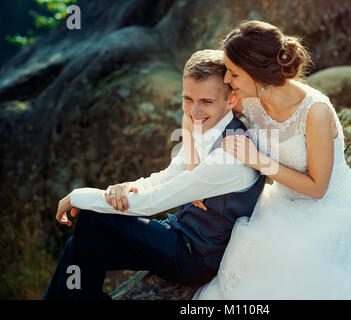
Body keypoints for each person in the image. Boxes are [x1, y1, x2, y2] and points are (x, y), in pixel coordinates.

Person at [182, 20, 351, 299]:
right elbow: (192, 111)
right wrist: (193, 170)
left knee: (299, 264)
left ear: (255, 72)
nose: (227, 80)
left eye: (234, 74)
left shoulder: (314, 112)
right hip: (282, 203)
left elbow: (317, 188)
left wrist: (259, 161)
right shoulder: (247, 98)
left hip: (333, 207)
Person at [42, 49, 266, 300]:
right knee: (82, 244)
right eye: (188, 99)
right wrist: (125, 188)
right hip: (177, 232)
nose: (194, 111)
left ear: (231, 100)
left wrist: (78, 196)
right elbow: (166, 177)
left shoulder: (231, 154)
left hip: (196, 258)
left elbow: (153, 202)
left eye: (206, 101)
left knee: (96, 220)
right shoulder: (208, 128)